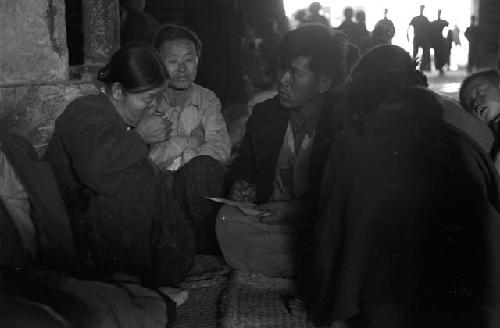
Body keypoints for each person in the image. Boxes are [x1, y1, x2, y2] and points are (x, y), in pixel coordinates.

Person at [307, 45, 500, 327]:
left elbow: (329, 239)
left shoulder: (348, 141)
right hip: (479, 304)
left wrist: (322, 307)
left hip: (383, 306)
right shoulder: (468, 123)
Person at [46, 45, 195, 288]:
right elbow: (96, 172)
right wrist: (139, 137)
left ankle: (155, 270)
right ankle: (129, 280)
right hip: (71, 224)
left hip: (94, 217)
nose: (154, 107)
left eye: (158, 98)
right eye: (148, 99)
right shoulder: (84, 112)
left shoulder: (118, 117)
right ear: (117, 91)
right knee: (140, 177)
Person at [216, 25, 348, 277]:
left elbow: (341, 196)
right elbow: (245, 163)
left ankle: (305, 264)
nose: (283, 80)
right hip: (269, 220)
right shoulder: (265, 114)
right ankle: (310, 268)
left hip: (316, 220)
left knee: (337, 233)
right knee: (226, 218)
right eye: (284, 69)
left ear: (323, 82)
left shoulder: (341, 121)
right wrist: (242, 184)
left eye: (295, 73)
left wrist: (292, 210)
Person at [150, 24, 231, 254]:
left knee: (204, 168)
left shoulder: (207, 99)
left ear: (198, 60)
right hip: (159, 190)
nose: (182, 69)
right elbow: (150, 159)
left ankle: (202, 247)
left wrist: (186, 162)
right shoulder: (148, 98)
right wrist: (190, 141)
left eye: (189, 59)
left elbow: (222, 148)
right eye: (173, 61)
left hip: (195, 185)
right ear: (157, 62)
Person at [408, 5, 431, 71]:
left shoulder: (424, 19)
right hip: (418, 38)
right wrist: (408, 36)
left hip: (422, 38)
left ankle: (424, 67)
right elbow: (409, 27)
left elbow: (429, 29)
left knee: (424, 53)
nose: (422, 10)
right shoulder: (417, 19)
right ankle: (413, 67)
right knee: (415, 52)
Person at [430, 9, 449, 74]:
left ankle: (439, 67)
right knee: (438, 54)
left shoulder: (436, 23)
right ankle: (439, 67)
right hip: (438, 40)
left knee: (439, 54)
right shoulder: (439, 22)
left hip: (438, 40)